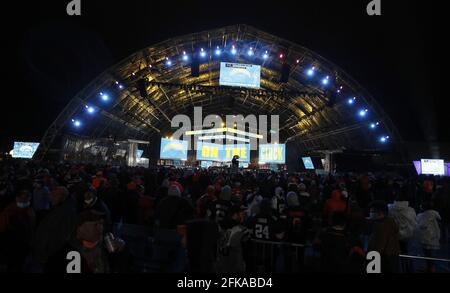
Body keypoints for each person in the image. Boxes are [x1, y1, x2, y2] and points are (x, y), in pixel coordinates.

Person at [45, 210, 132, 273]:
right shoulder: (67, 252)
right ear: (79, 228)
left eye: (101, 224)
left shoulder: (108, 249)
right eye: (95, 224)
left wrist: (122, 252)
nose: (100, 228)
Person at [33, 186, 78, 268]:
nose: (51, 198)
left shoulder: (67, 212)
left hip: (52, 255)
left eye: (54, 196)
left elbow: (62, 236)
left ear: (62, 196)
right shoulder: (61, 208)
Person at [0, 190, 35, 272]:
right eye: (23, 199)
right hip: (11, 245)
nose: (25, 201)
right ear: (17, 198)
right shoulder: (8, 211)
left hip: (24, 244)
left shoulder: (29, 211)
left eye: (27, 200)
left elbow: (31, 228)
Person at [367, 200, 400, 273]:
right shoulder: (391, 223)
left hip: (381, 261)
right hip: (392, 259)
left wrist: (370, 267)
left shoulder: (379, 226)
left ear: (380, 213)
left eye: (372, 211)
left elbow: (377, 248)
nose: (370, 214)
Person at [216, 205, 250, 273]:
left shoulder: (219, 226)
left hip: (221, 265)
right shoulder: (242, 230)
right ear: (235, 214)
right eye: (241, 213)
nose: (243, 215)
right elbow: (247, 251)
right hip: (236, 266)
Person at [388, 192, 416, 272]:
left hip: (395, 234)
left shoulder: (390, 208)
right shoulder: (410, 210)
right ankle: (407, 268)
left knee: (395, 253)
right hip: (407, 235)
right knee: (407, 252)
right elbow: (414, 221)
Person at [416, 201, 441, 272]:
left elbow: (418, 224)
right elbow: (439, 220)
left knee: (427, 254)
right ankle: (431, 268)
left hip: (424, 238)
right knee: (432, 255)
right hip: (433, 238)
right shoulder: (435, 214)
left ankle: (430, 268)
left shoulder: (420, 216)